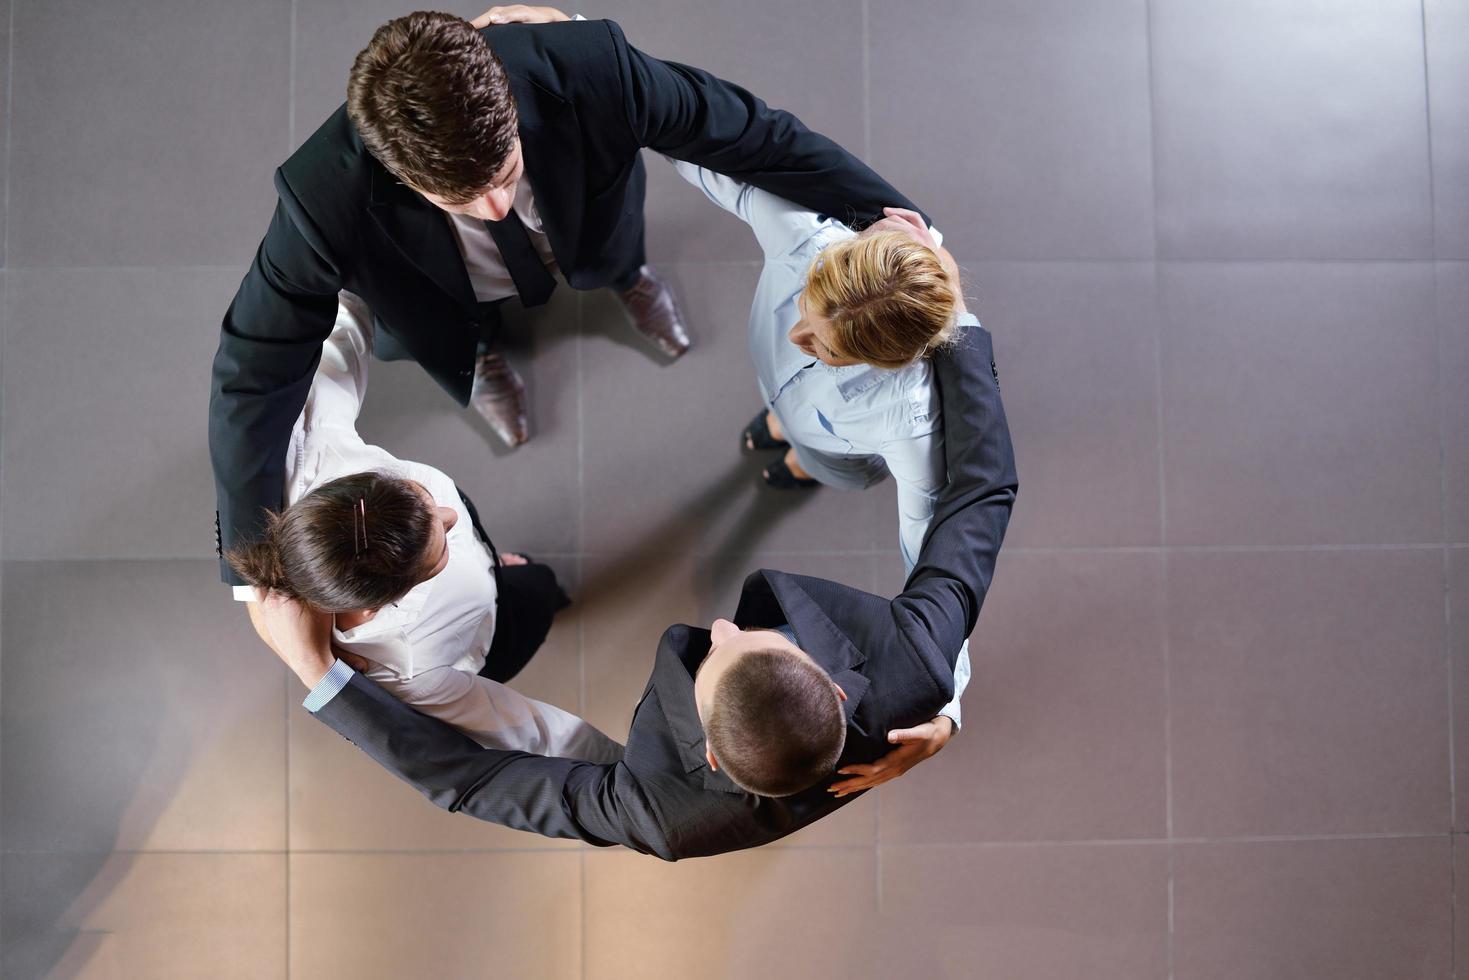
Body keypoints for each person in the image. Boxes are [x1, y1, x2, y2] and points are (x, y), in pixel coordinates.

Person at [209, 7, 930, 589]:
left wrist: (901, 228)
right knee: (458, 333)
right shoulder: (319, 195)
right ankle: (486, 355)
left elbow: (756, 137)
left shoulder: (592, 66)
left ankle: (628, 282)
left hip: (586, 231)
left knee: (615, 257)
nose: (493, 207)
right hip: (440, 298)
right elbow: (256, 361)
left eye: (504, 171)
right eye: (460, 197)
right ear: (394, 170)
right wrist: (252, 566)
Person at [256, 319, 1017, 861]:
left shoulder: (665, 813)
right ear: (836, 685)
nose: (719, 626)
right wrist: (953, 324)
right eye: (750, 638)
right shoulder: (914, 659)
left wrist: (321, 677)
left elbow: (469, 780)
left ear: (709, 758)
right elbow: (979, 494)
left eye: (719, 651)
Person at [232, 291, 621, 763]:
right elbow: (534, 731)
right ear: (379, 603)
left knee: (490, 550)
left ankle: (497, 562)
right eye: (436, 553)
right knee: (539, 587)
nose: (450, 514)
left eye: (420, 499)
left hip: (475, 577)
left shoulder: (317, 455)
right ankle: (526, 578)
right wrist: (635, 771)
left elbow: (344, 329)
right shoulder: (410, 669)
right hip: (495, 630)